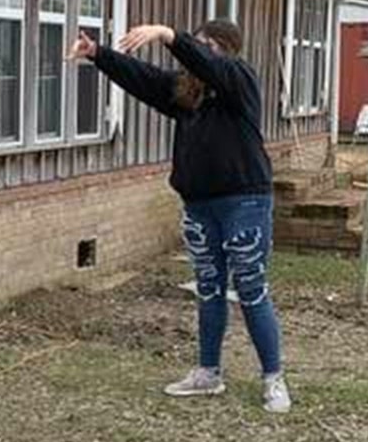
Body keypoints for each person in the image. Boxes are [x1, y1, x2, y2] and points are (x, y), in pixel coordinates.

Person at [69, 21, 290, 413]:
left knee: (251, 288)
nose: (197, 55)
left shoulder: (239, 80)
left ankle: (273, 378)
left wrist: (169, 36)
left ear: (224, 49)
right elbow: (146, 80)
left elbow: (210, 65)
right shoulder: (190, 93)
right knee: (209, 288)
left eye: (206, 46)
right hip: (199, 205)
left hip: (245, 202)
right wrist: (99, 55)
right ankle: (208, 372)